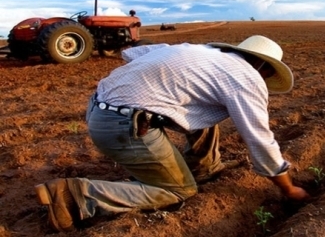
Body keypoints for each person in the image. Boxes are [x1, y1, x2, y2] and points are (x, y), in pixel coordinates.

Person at [34, 35, 310, 232]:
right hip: (124, 126)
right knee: (179, 190)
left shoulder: (200, 52)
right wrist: (288, 187)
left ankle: (204, 167)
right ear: (263, 67)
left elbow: (133, 53)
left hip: (98, 110)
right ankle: (75, 195)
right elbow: (259, 137)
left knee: (207, 110)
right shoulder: (246, 78)